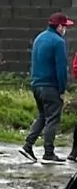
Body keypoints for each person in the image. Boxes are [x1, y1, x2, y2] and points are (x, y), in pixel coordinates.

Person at [19, 12, 73, 165]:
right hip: (51, 86)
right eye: (65, 26)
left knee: (43, 116)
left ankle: (28, 145)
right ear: (60, 26)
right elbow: (61, 68)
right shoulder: (58, 42)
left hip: (36, 85)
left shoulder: (39, 38)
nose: (66, 30)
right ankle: (49, 153)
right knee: (52, 119)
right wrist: (62, 90)